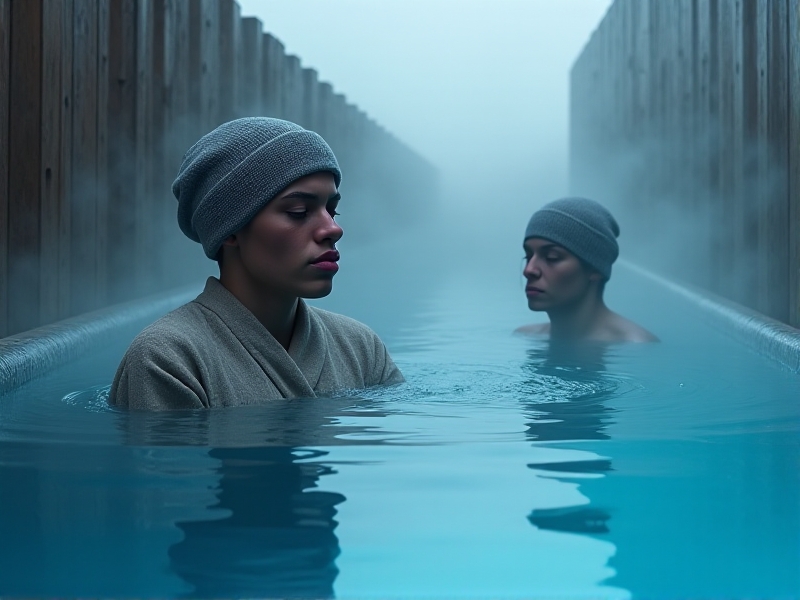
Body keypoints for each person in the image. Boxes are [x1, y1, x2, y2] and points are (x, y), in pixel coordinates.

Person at [109, 117, 403, 410]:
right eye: (299, 211)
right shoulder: (168, 359)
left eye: (332, 210)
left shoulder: (361, 348)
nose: (332, 229)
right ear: (231, 230)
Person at [516, 197, 658, 343]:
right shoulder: (526, 336)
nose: (529, 270)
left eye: (552, 257)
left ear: (594, 269)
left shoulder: (636, 347)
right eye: (528, 256)